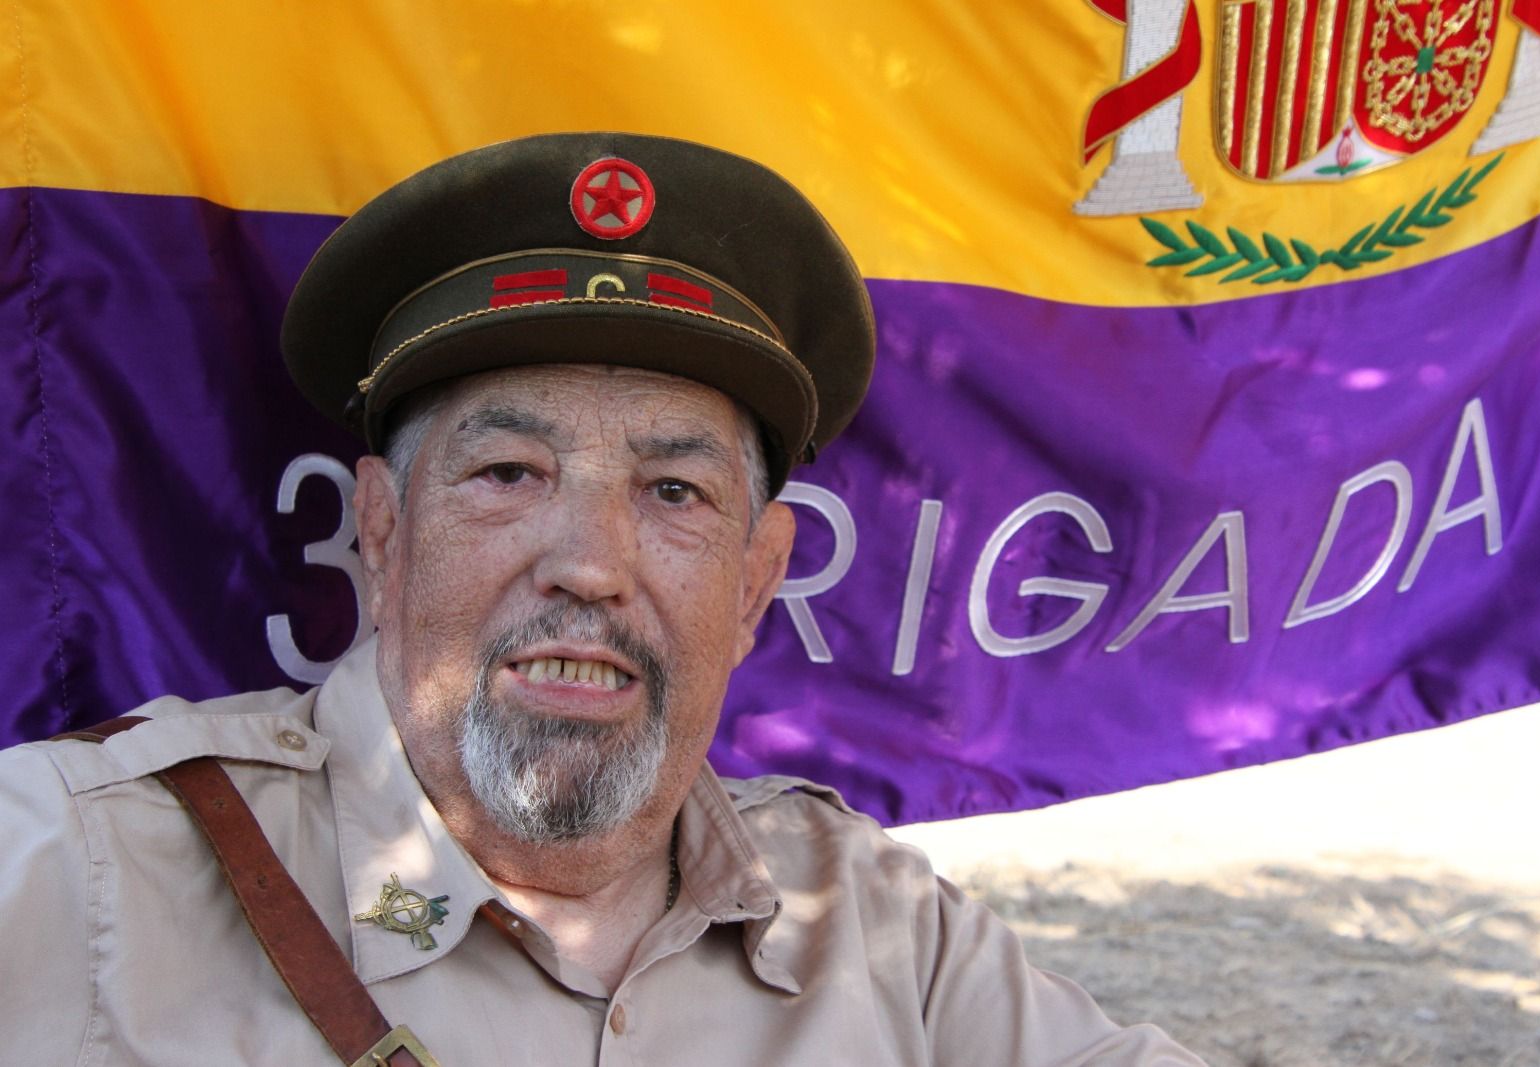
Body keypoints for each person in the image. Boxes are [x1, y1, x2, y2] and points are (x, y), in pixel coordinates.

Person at [0, 132, 1204, 1065]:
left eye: (673, 489)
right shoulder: (74, 863)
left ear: (754, 580)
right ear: (381, 531)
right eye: (510, 474)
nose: (589, 562)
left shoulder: (881, 927)